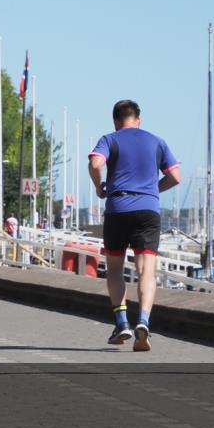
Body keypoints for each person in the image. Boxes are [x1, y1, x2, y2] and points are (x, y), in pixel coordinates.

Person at [88, 99, 180, 352]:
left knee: (115, 270)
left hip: (118, 207)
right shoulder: (156, 141)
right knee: (146, 271)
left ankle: (121, 322)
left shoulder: (110, 139)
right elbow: (175, 176)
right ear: (138, 119)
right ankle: (144, 322)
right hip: (148, 211)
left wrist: (99, 187)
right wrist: (152, 190)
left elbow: (95, 163)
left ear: (116, 121)